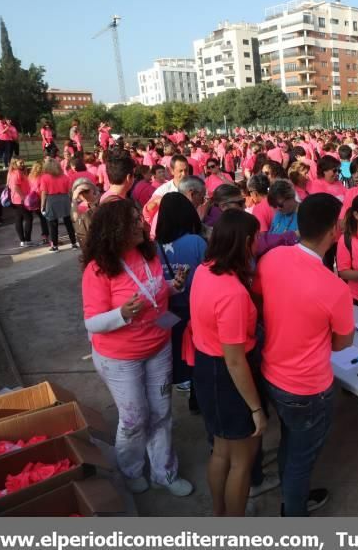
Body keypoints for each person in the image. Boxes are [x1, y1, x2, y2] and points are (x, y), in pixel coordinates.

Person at [81, 198, 193, 497]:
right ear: (115, 230)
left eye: (139, 219)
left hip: (158, 346)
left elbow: (152, 290)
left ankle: (164, 473)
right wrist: (122, 314)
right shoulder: (98, 269)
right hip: (120, 358)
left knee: (161, 411)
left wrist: (172, 285)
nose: (141, 224)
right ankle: (130, 469)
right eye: (133, 222)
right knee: (133, 419)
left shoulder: (149, 253)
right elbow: (92, 323)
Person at [252, 193, 354, 516]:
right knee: (301, 457)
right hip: (309, 388)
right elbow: (342, 344)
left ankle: (290, 497)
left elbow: (258, 301)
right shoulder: (335, 288)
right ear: (333, 232)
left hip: (272, 375)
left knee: (289, 442)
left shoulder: (271, 259)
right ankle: (292, 513)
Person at [189, 210, 265, 516]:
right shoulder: (232, 293)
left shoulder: (204, 270)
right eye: (257, 237)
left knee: (221, 451)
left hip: (207, 369)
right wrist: (256, 409)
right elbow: (235, 361)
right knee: (242, 461)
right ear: (246, 242)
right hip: (227, 376)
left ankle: (220, 515)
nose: (259, 242)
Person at [156, 192, 206, 414]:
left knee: (172, 353)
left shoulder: (153, 247)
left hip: (167, 312)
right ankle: (196, 399)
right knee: (196, 356)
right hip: (194, 310)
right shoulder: (197, 242)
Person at [40, 159, 76, 252]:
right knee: (68, 222)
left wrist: (42, 205)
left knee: (52, 223)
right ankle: (74, 243)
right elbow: (69, 191)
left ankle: (55, 246)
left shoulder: (45, 177)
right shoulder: (64, 176)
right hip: (64, 198)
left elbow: (44, 192)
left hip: (51, 199)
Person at [6, 159, 35, 248]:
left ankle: (23, 241)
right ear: (15, 163)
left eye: (23, 162)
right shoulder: (17, 172)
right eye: (20, 162)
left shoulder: (12, 173)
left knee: (19, 219)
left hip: (16, 199)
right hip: (21, 200)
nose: (23, 164)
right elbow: (15, 186)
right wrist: (23, 197)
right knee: (28, 219)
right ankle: (27, 240)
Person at [27, 162, 50, 246]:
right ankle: (46, 235)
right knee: (45, 218)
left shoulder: (30, 176)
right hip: (41, 198)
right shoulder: (43, 177)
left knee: (42, 218)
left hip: (33, 199)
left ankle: (45, 235)